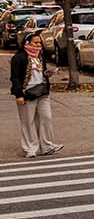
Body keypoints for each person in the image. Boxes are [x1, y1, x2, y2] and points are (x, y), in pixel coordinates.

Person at [10, 30, 60, 158]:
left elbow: (40, 72)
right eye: (36, 42)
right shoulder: (19, 58)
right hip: (27, 93)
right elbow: (15, 78)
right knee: (28, 122)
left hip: (42, 91)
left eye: (40, 42)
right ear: (27, 43)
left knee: (46, 118)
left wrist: (47, 73)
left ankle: (47, 146)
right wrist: (18, 95)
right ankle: (30, 149)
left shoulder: (39, 56)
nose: (39, 45)